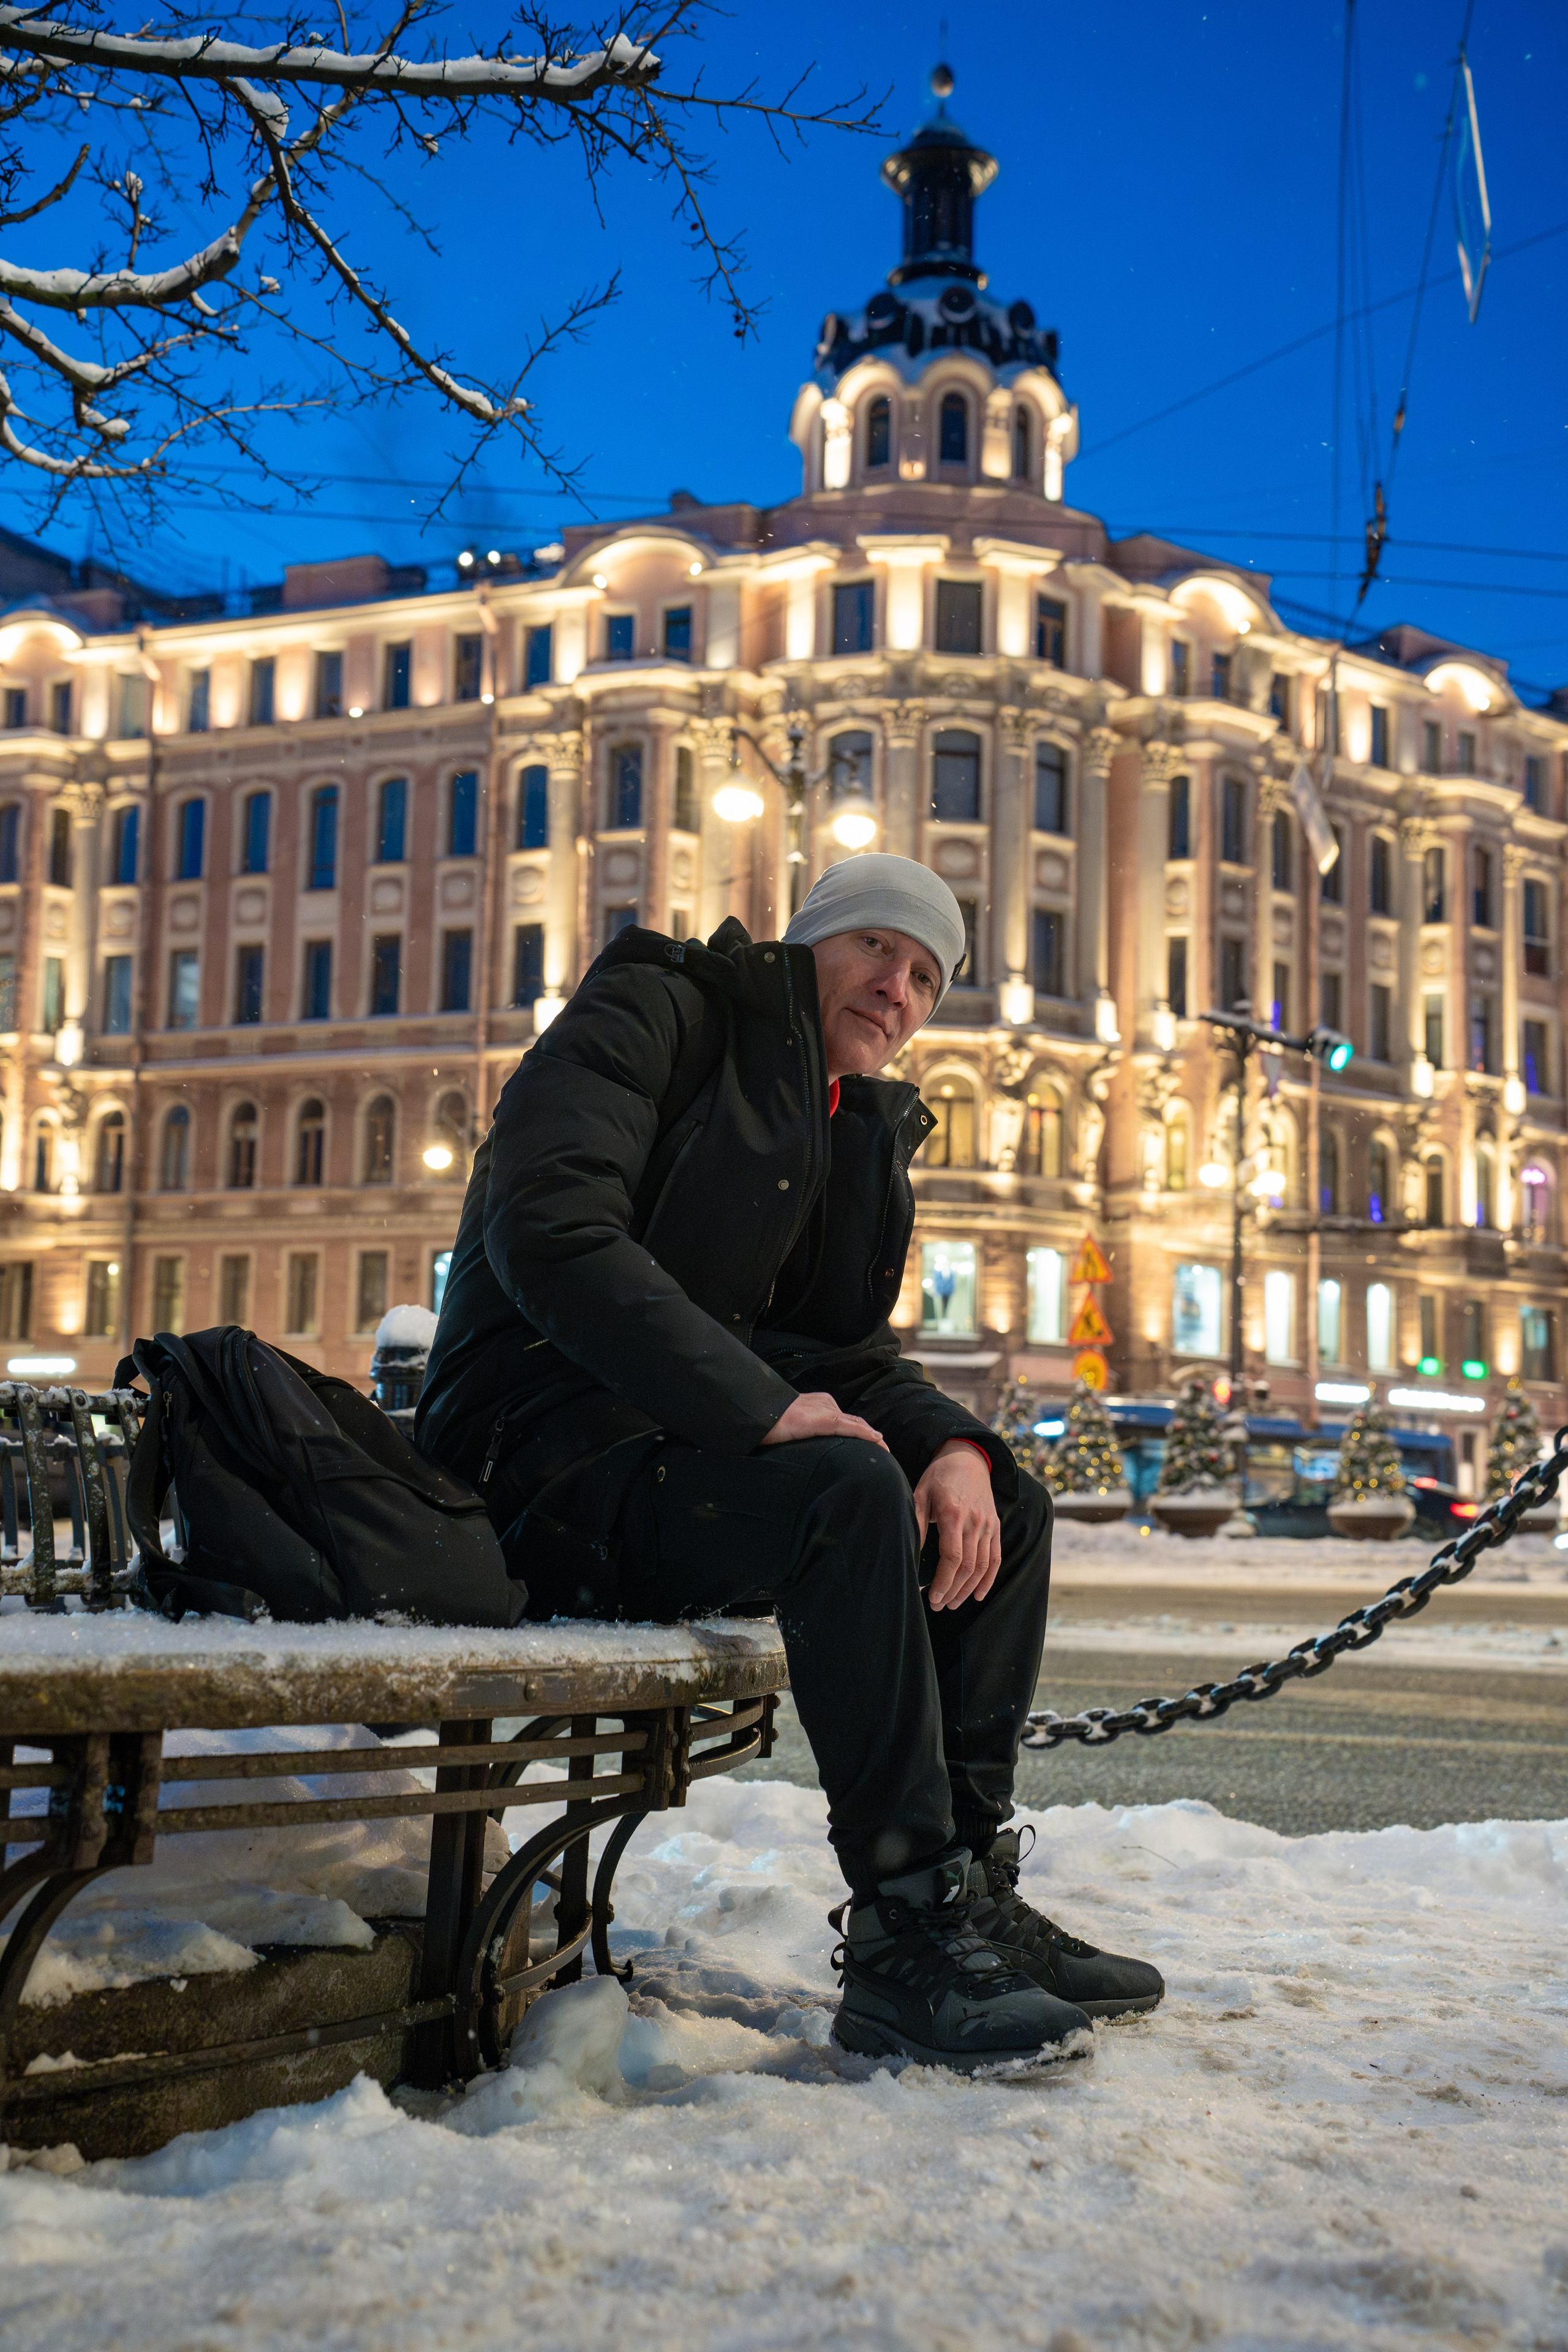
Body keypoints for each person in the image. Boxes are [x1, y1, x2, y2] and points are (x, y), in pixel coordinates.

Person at [417, 852, 1163, 2072]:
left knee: (1002, 1509)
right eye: (876, 947)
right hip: (534, 1467)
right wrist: (763, 1411)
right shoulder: (660, 1011)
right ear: (806, 942)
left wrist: (959, 1454)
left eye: (925, 976)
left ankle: (965, 1899)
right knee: (843, 1490)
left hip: (670, 1467)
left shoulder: (846, 1126)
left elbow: (844, 1351)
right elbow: (548, 1230)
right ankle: (900, 1946)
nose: (898, 986)